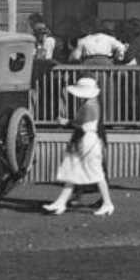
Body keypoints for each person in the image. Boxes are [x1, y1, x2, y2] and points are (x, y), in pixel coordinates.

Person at [43, 77, 114, 216]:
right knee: (74, 170)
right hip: (88, 139)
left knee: (94, 172)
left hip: (88, 139)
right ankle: (61, 202)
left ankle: (107, 203)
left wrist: (66, 122)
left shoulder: (89, 105)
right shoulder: (91, 103)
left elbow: (83, 126)